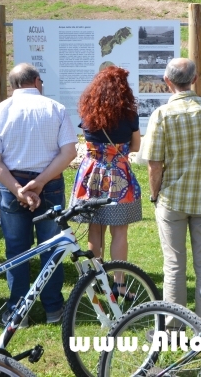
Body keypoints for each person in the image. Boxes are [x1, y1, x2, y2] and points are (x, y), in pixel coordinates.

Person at [0, 63, 77, 325]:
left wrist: (17, 189)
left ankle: (18, 311)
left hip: (12, 182)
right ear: (37, 81)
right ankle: (53, 308)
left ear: (14, 85)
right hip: (49, 183)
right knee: (51, 247)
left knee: (16, 249)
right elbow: (69, 152)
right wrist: (40, 182)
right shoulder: (55, 108)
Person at [143, 58, 201, 326]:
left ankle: (173, 326)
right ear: (194, 80)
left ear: (167, 82)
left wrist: (155, 194)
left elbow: (154, 164)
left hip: (172, 200)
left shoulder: (162, 115)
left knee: (174, 266)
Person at [70, 67, 142, 297]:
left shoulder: (88, 114)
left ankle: (97, 280)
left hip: (92, 174)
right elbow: (137, 146)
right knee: (120, 232)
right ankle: (119, 284)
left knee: (95, 229)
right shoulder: (129, 115)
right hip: (118, 175)